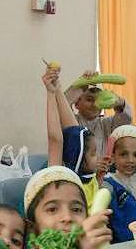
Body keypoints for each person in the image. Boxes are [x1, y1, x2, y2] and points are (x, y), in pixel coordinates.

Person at [43, 66, 100, 206]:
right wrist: (50, 93)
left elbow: (73, 129)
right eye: (93, 154)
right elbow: (55, 139)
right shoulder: (61, 180)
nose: (97, 157)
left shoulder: (91, 180)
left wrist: (58, 89)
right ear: (78, 157)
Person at [64, 69, 132, 162]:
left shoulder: (106, 124)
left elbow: (125, 119)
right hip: (76, 173)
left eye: (99, 100)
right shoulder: (72, 121)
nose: (95, 104)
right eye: (89, 99)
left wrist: (118, 101)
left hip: (102, 172)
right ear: (76, 103)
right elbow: (62, 105)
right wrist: (82, 83)